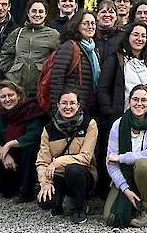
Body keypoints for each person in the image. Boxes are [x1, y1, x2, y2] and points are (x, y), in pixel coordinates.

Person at [104, 84, 147, 228]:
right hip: (127, 176)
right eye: (135, 99)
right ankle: (134, 202)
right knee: (111, 218)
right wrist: (125, 189)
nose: (139, 103)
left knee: (142, 165)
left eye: (143, 100)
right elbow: (111, 163)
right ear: (129, 101)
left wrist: (121, 158)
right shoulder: (118, 124)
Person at [37, 90, 99, 224]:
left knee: (73, 170)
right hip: (58, 176)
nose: (68, 107)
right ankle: (62, 200)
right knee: (46, 201)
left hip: (83, 174)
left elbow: (85, 157)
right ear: (58, 105)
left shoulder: (89, 124)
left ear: (78, 106)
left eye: (72, 103)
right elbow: (42, 161)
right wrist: (45, 183)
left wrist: (57, 162)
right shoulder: (48, 129)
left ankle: (80, 207)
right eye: (64, 103)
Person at [0, 80, 48, 203]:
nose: (7, 99)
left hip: (27, 157)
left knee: (30, 151)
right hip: (10, 159)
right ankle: (9, 187)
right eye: (3, 96)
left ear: (18, 95)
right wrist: (5, 155)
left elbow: (34, 135)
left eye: (11, 95)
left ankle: (26, 191)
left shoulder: (31, 109)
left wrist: (9, 144)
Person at [98, 22, 147, 128]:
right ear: (128, 36)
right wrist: (110, 111)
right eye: (136, 34)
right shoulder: (116, 59)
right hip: (121, 117)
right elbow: (103, 88)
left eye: (143, 36)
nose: (139, 39)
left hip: (146, 118)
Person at [0, 0, 61, 99]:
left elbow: (59, 59)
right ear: (28, 13)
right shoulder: (18, 33)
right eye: (34, 11)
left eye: (41, 12)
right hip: (17, 86)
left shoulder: (53, 35)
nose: (37, 14)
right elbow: (5, 54)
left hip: (40, 86)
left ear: (45, 14)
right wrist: (12, 72)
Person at [47, 11, 100, 114]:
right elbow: (56, 80)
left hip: (83, 106)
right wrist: (56, 109)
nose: (90, 26)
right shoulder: (69, 47)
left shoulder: (92, 49)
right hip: (67, 108)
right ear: (76, 25)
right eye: (86, 23)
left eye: (93, 23)